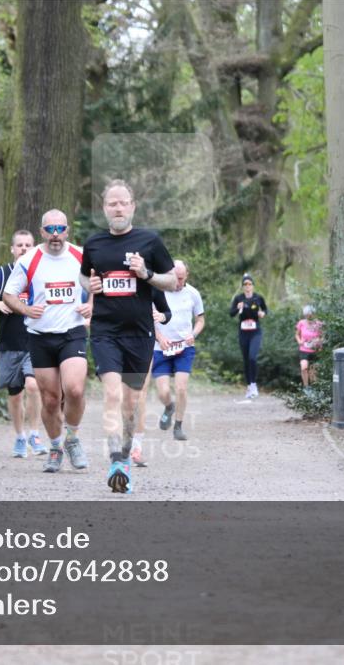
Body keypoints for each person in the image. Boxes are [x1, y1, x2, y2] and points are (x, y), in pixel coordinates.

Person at [81, 179, 177, 493]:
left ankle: (124, 451)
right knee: (112, 394)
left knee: (131, 403)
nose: (118, 208)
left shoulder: (150, 241)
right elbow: (85, 276)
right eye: (112, 203)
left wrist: (146, 274)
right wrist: (90, 287)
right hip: (105, 331)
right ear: (104, 208)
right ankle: (116, 461)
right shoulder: (94, 244)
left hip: (140, 334)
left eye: (123, 202)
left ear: (133, 206)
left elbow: (172, 280)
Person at [3, 210, 91, 473]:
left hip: (72, 332)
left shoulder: (82, 255)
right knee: (51, 400)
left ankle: (72, 438)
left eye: (59, 229)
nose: (55, 235)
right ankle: (55, 447)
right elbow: (9, 294)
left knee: (74, 389)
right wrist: (26, 310)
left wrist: (92, 307)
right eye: (49, 230)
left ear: (67, 230)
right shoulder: (29, 260)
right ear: (41, 232)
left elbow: (99, 285)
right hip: (40, 336)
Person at [0, 229, 46, 458]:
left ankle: (35, 434)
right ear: (12, 249)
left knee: (33, 386)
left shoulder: (40, 275)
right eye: (20, 245)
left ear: (34, 248)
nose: (24, 249)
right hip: (9, 343)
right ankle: (20, 436)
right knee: (15, 394)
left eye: (28, 245)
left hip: (35, 341)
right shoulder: (1, 274)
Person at [151, 259, 205, 444]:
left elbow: (200, 320)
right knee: (163, 391)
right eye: (175, 278)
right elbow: (149, 320)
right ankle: (168, 407)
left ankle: (178, 426)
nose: (178, 282)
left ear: (187, 276)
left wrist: (194, 334)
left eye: (181, 278)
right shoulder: (157, 292)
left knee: (181, 388)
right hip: (161, 348)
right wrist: (159, 337)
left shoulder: (193, 294)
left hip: (184, 347)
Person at [129, 288, 173, 467]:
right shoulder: (112, 278)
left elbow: (165, 312)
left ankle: (136, 447)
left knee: (140, 394)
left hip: (142, 343)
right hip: (114, 342)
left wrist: (160, 323)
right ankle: (122, 441)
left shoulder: (151, 284)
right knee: (121, 396)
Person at [229, 273, 267, 399]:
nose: (247, 286)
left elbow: (265, 310)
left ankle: (254, 384)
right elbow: (231, 313)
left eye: (249, 284)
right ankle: (249, 386)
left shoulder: (258, 298)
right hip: (243, 332)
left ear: (253, 286)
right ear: (242, 286)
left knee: (252, 357)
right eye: (245, 284)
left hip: (255, 332)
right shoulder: (239, 298)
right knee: (246, 360)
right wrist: (237, 308)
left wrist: (262, 314)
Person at [295, 304, 323, 391]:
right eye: (307, 315)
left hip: (315, 350)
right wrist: (299, 341)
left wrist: (319, 342)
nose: (309, 316)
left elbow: (322, 336)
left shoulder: (318, 323)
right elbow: (297, 334)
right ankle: (306, 388)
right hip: (304, 350)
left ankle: (314, 390)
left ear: (314, 314)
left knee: (313, 372)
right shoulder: (301, 323)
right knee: (304, 367)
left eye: (310, 314)